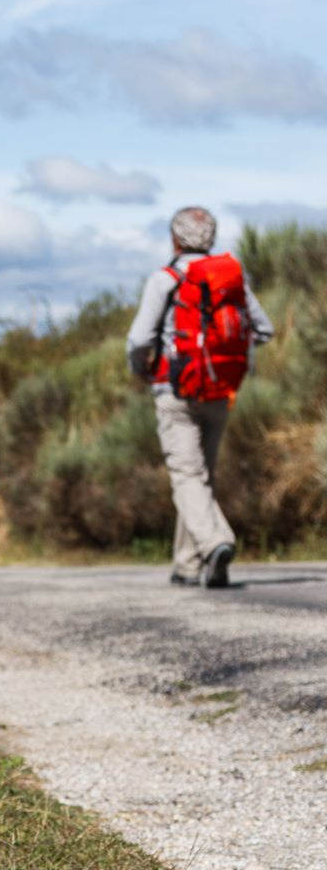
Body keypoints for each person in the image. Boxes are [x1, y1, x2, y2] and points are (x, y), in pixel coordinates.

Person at [126, 206, 273, 588]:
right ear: (211, 237)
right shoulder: (230, 278)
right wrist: (225, 354)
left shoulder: (165, 279)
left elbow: (140, 339)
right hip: (222, 390)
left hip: (176, 390)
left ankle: (215, 542)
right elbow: (264, 329)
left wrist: (141, 368)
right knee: (201, 476)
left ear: (175, 239)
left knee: (187, 475)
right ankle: (187, 564)